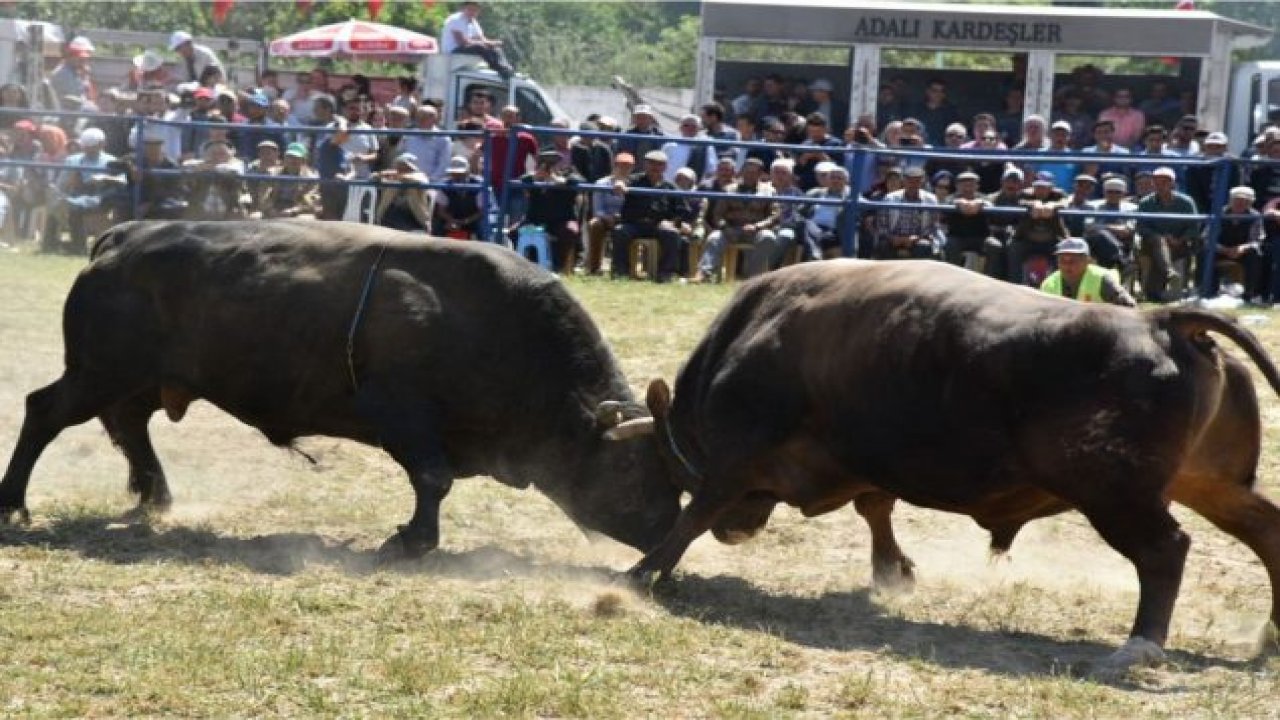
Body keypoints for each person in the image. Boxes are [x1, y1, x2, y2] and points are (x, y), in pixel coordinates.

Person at [694, 157, 781, 282]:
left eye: (753, 172)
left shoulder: (770, 191)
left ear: (760, 174)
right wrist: (724, 227)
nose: (749, 175)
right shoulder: (729, 190)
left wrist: (757, 226)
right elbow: (718, 214)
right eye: (746, 171)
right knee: (714, 237)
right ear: (741, 172)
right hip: (731, 229)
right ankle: (703, 273)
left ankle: (754, 278)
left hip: (756, 230)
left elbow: (774, 215)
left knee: (768, 237)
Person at [46, 127, 122, 255]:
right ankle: (50, 244)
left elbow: (122, 181)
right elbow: (61, 185)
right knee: (57, 202)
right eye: (86, 146)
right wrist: (65, 187)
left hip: (100, 197)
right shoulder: (73, 160)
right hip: (74, 195)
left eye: (91, 146)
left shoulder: (111, 161)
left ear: (102, 144)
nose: (88, 149)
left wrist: (105, 178)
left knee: (73, 207)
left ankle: (76, 246)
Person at [610, 149, 682, 282]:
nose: (655, 167)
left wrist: (672, 222)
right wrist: (619, 184)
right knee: (620, 232)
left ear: (665, 167)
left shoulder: (671, 187)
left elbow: (681, 209)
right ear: (645, 165)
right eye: (652, 163)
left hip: (658, 224)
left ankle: (665, 274)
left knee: (672, 234)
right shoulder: (634, 180)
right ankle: (620, 272)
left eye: (659, 164)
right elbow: (622, 181)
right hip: (634, 223)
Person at [1136, 166, 1200, 302]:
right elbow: (1141, 227)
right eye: (1157, 181)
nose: (1160, 185)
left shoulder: (1186, 202)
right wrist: (1162, 237)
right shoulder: (1145, 203)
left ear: (1173, 183)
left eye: (1165, 181)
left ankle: (1169, 276)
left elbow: (1194, 227)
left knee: (1164, 296)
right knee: (1158, 240)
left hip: (1180, 245)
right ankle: (1169, 272)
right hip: (1152, 245)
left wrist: (1180, 239)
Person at [512, 150, 583, 271]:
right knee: (515, 232)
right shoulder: (535, 177)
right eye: (545, 164)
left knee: (569, 231)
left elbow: (577, 180)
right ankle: (525, 265)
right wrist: (537, 177)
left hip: (562, 220)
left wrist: (558, 181)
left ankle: (560, 266)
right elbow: (524, 179)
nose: (549, 167)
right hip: (536, 220)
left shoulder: (568, 174)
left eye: (553, 163)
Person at [1039, 237, 1137, 307]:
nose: (1067, 265)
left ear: (1087, 261)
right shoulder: (1048, 284)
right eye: (1062, 261)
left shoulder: (1102, 278)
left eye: (1073, 261)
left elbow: (1128, 306)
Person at [1208, 186, 1266, 301]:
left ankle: (1249, 294)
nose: (1240, 203)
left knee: (1256, 254)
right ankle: (1208, 291)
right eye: (1237, 200)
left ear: (1250, 203)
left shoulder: (1255, 216)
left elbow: (1257, 240)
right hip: (1221, 249)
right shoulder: (1219, 214)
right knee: (1205, 252)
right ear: (1230, 200)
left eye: (1244, 201)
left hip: (1243, 252)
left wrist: (1242, 248)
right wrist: (1224, 249)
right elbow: (1207, 237)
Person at [874, 165, 942, 260]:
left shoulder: (931, 199)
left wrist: (916, 238)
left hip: (918, 239)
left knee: (924, 247)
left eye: (917, 181)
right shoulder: (890, 198)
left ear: (922, 182)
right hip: (893, 239)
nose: (913, 184)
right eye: (910, 181)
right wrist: (893, 238)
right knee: (883, 246)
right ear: (904, 181)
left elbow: (933, 226)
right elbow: (882, 225)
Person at [943, 170, 1002, 278]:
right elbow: (946, 206)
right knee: (949, 245)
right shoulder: (951, 198)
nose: (967, 188)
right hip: (957, 237)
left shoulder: (983, 197)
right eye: (963, 185)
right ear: (957, 186)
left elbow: (991, 205)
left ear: (977, 186)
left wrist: (980, 203)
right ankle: (951, 278)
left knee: (995, 246)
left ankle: (991, 278)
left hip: (981, 237)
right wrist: (959, 203)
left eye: (971, 185)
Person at [586, 152, 635, 275]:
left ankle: (621, 268)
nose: (624, 169)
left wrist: (620, 217)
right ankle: (594, 268)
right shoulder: (601, 183)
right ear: (615, 166)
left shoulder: (635, 184)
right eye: (621, 165)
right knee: (594, 224)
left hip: (626, 219)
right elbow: (597, 209)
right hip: (605, 218)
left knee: (625, 229)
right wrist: (606, 217)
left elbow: (635, 208)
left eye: (628, 166)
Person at [441, 2, 514, 80]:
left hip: (465, 48)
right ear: (463, 9)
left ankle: (506, 68)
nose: (472, 12)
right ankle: (498, 68)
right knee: (479, 47)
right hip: (453, 51)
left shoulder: (473, 22)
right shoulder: (455, 20)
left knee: (495, 49)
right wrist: (485, 43)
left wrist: (493, 43)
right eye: (470, 9)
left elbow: (482, 39)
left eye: (475, 10)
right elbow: (462, 42)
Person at [374, 153, 433, 233]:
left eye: (403, 164)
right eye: (399, 164)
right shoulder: (392, 177)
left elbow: (421, 180)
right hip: (392, 215)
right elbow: (373, 178)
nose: (399, 166)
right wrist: (380, 175)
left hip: (414, 217)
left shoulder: (420, 175)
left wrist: (399, 176)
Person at [261, 143, 319, 219]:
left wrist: (294, 211)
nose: (292, 160)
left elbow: (312, 201)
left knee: (306, 219)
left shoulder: (311, 178)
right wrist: (271, 210)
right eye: (289, 157)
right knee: (254, 217)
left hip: (297, 210)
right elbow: (263, 196)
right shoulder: (271, 174)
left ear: (304, 160)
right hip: (275, 207)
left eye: (297, 157)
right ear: (284, 158)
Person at [433, 155, 484, 238]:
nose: (457, 176)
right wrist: (451, 220)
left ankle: (487, 247)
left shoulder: (479, 184)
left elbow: (482, 211)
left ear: (467, 172)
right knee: (437, 226)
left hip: (474, 220)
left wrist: (465, 221)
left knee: (482, 227)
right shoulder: (444, 186)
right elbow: (441, 210)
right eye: (454, 173)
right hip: (452, 219)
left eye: (460, 173)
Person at [402, 104, 451, 183]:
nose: (420, 120)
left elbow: (444, 164)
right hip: (409, 181)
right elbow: (403, 157)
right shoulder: (409, 135)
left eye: (424, 117)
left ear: (434, 119)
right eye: (418, 117)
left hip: (432, 183)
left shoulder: (443, 139)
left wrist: (430, 180)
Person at [660, 114, 715, 183]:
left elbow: (712, 170)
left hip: (695, 188)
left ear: (699, 128)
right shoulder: (669, 146)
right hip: (670, 187)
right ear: (680, 127)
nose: (690, 128)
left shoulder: (706, 146)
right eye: (686, 125)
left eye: (694, 126)